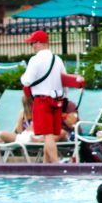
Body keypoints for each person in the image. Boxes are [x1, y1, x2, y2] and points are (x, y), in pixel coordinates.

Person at [20, 30, 69, 164]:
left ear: (40, 43)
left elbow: (27, 81)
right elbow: (65, 81)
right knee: (51, 134)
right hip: (57, 100)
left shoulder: (35, 60)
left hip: (42, 100)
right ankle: (46, 165)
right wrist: (65, 98)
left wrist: (22, 78)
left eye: (33, 43)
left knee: (47, 135)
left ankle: (56, 165)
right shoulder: (57, 59)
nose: (32, 46)